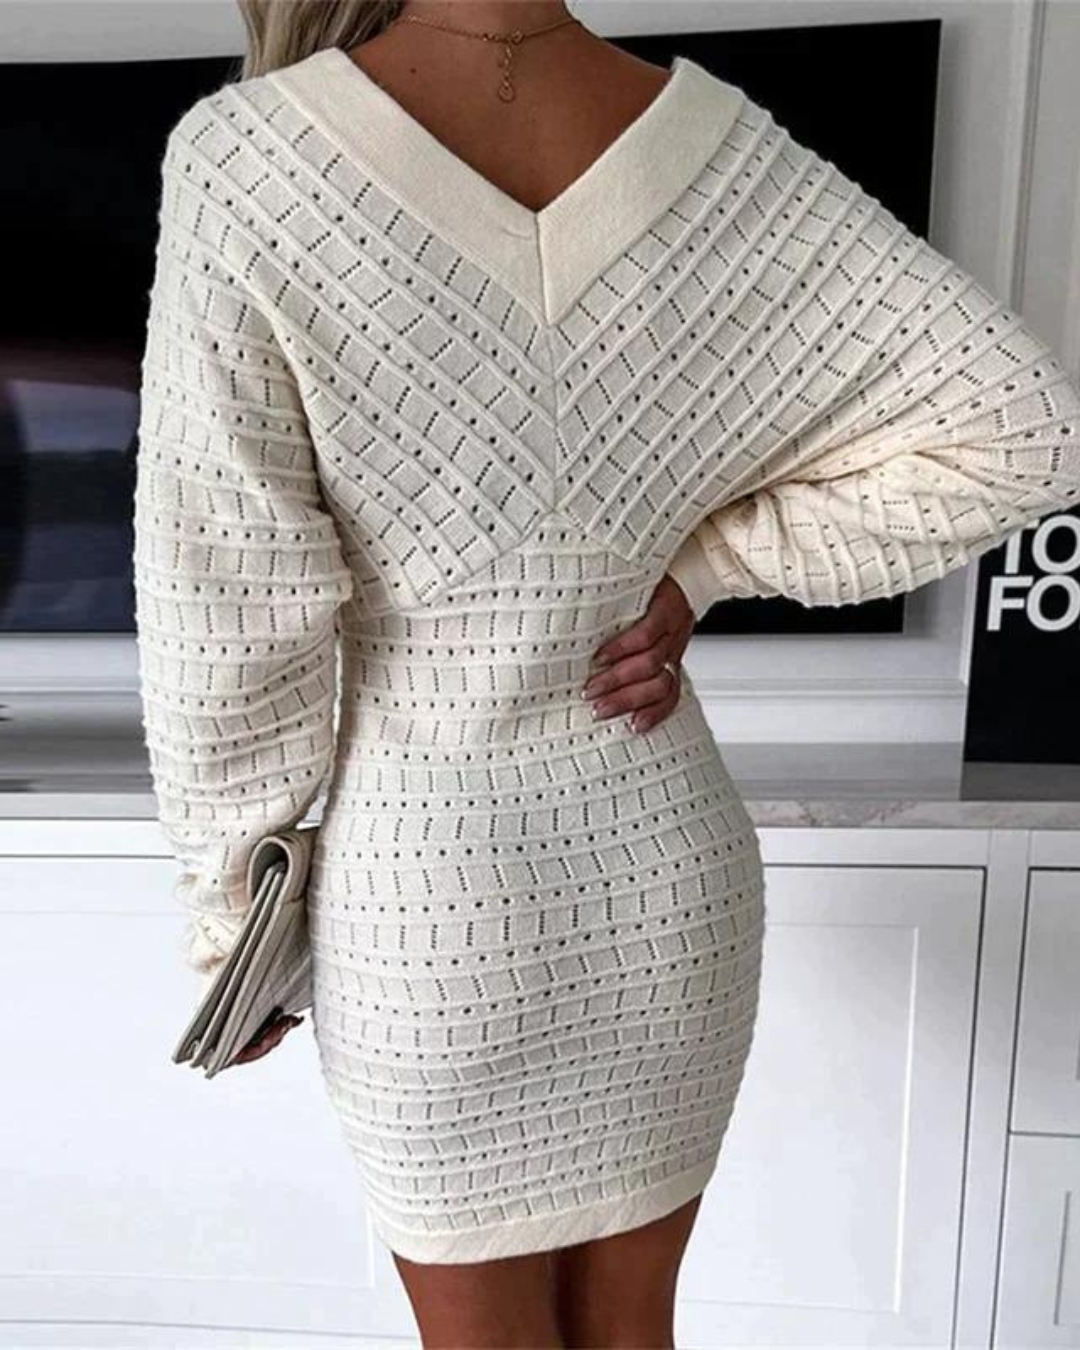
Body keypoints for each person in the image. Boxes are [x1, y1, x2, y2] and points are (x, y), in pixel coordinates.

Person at [131, 1, 1080, 1345]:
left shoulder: (249, 157)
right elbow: (1027, 430)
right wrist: (701, 567)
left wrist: (238, 919)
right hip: (664, 874)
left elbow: (227, 607)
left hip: (431, 900)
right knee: (637, 1333)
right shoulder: (719, 151)